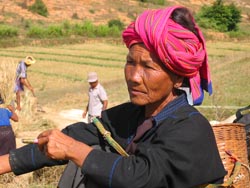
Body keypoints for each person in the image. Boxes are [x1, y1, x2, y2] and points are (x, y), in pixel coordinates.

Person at [0, 6, 226, 188]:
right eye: (130, 62)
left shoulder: (191, 128)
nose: (134, 77)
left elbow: (141, 176)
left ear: (178, 78)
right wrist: (7, 162)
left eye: (148, 66)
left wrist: (74, 150)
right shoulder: (131, 115)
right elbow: (74, 136)